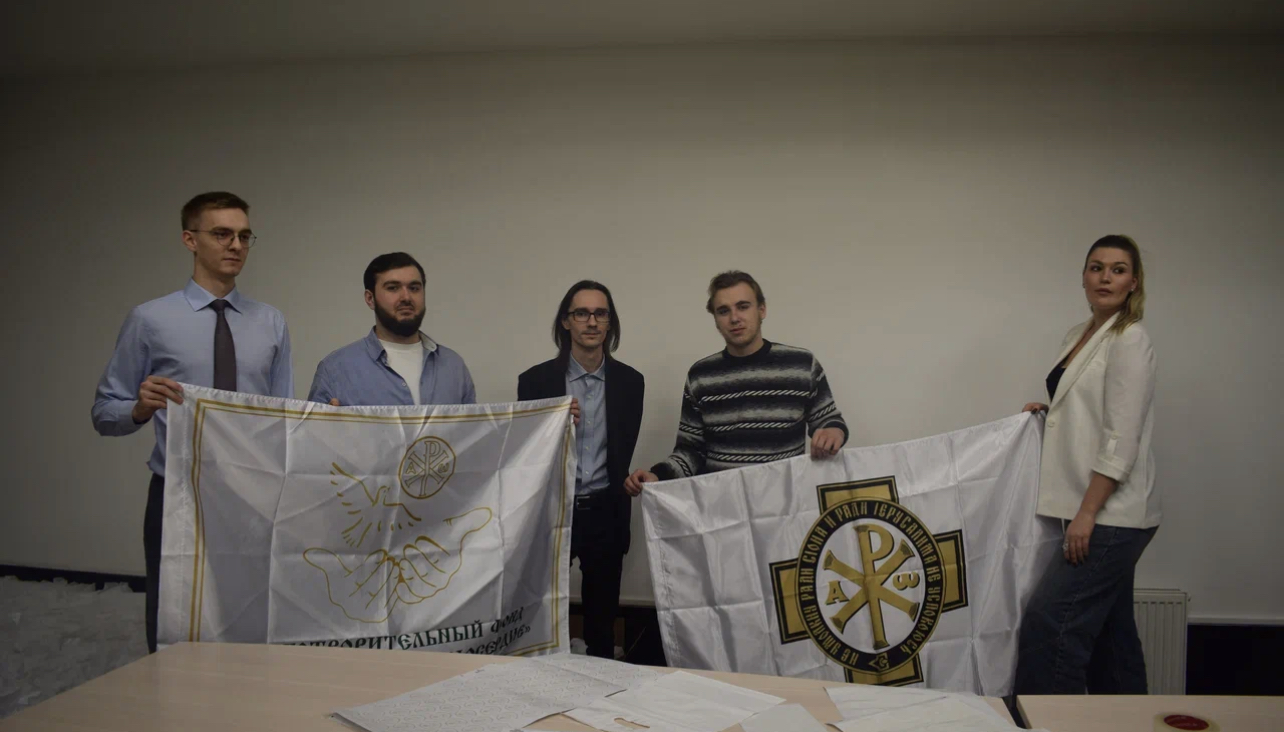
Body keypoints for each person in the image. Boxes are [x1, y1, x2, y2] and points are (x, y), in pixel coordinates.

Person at [91, 192, 294, 653]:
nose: (235, 245)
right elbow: (104, 411)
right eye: (222, 234)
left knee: (252, 610)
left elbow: (281, 416)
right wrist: (138, 408)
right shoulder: (150, 320)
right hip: (176, 493)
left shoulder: (271, 323)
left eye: (244, 236)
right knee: (172, 613)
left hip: (252, 493)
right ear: (190, 239)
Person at [1014, 234, 1159, 694]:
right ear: (1083, 277)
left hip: (1111, 514)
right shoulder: (1078, 335)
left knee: (1049, 626)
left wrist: (1087, 513)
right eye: (1097, 268)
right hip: (1092, 508)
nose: (1105, 277)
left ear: (1133, 282)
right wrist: (1050, 410)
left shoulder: (1130, 339)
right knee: (1113, 641)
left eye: (1118, 270)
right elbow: (1088, 407)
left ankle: (1049, 721)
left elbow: (1121, 438)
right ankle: (1129, 722)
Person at [625, 270, 846, 495]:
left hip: (786, 505)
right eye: (723, 311)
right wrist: (657, 475)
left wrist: (833, 432)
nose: (734, 318)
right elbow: (691, 451)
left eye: (743, 306)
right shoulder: (701, 376)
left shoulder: (801, 364)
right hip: (723, 506)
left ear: (762, 310)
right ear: (715, 320)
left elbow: (829, 420)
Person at [518, 281, 644, 659]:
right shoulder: (534, 381)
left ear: (610, 322)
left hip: (607, 510)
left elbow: (621, 451)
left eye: (600, 313)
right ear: (566, 321)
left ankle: (600, 688)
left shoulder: (631, 382)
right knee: (540, 614)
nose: (591, 322)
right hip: (553, 510)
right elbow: (525, 452)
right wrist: (552, 424)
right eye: (581, 313)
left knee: (602, 626)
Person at [308, 252, 475, 407]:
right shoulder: (335, 370)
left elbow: (471, 429)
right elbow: (314, 430)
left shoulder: (453, 366)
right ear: (370, 299)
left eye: (414, 288)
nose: (406, 297)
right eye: (393, 288)